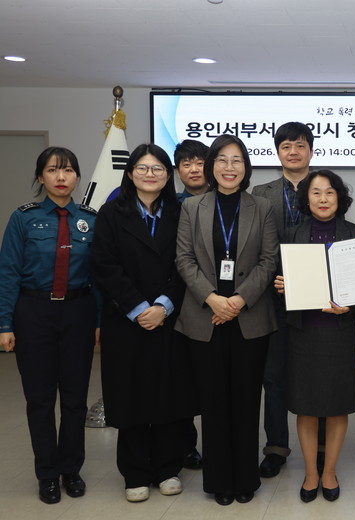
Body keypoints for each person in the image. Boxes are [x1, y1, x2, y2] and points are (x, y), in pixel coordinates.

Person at [175, 134, 278, 505]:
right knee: (213, 401)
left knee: (247, 401)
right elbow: (184, 259)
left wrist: (237, 300)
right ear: (211, 166)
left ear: (245, 167)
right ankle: (219, 481)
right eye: (222, 160)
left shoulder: (262, 207)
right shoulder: (192, 207)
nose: (229, 167)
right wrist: (212, 298)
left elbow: (269, 260)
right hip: (205, 317)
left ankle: (245, 479)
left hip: (249, 317)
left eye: (237, 160)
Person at [91, 143, 197, 502]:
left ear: (168, 175)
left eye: (157, 169)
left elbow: (187, 264)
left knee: (170, 396)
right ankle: (135, 472)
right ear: (130, 173)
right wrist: (138, 308)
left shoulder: (180, 212)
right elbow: (104, 265)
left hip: (170, 318)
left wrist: (164, 306)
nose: (150, 174)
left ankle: (168, 468)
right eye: (143, 168)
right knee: (131, 396)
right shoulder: (111, 213)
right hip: (126, 320)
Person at [0, 147, 99, 504]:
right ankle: (47, 474)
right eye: (53, 170)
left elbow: (98, 277)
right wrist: (4, 323)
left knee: (74, 398)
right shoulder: (23, 218)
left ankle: (71, 469)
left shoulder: (90, 219)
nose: (61, 177)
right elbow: (8, 273)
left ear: (77, 177)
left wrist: (99, 321)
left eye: (68, 170)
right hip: (33, 313)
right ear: (40, 177)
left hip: (78, 312)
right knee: (40, 399)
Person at [273, 170, 355, 503]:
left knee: (337, 405)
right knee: (306, 406)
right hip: (303, 331)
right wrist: (281, 285)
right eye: (316, 193)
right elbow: (280, 284)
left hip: (339, 331)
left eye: (329, 192)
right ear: (306, 199)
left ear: (339, 197)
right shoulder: (291, 235)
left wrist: (350, 305)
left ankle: (330, 471)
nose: (323, 199)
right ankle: (311, 472)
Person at [251, 122, 313, 477]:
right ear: (277, 152)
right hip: (271, 295)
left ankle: (320, 445)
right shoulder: (260, 193)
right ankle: (276, 447)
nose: (293, 151)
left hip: (315, 296)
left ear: (310, 151)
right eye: (286, 146)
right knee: (273, 375)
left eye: (300, 145)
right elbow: (254, 243)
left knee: (315, 372)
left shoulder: (324, 186)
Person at [172, 138, 208, 470]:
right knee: (182, 382)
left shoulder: (229, 203)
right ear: (178, 171)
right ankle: (185, 446)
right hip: (178, 306)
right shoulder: (171, 206)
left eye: (200, 162)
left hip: (223, 307)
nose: (194, 169)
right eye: (187, 164)